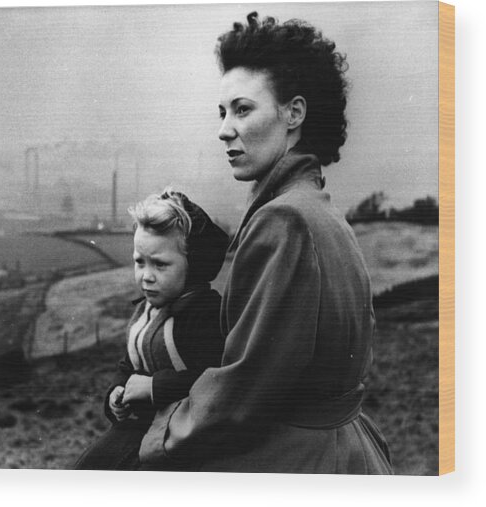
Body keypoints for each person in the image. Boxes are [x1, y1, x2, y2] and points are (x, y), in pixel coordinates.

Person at [138, 12, 394, 474]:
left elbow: (244, 387)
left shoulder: (285, 220)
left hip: (297, 461)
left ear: (293, 113)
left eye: (242, 109)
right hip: (347, 450)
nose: (223, 129)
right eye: (222, 113)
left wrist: (160, 427)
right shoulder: (320, 208)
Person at [74, 189, 229, 470]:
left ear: (193, 265)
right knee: (89, 468)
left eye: (160, 264)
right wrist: (116, 394)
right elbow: (129, 363)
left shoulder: (203, 313)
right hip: (144, 426)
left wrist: (155, 387)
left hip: (187, 434)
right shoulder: (146, 311)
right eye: (139, 262)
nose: (146, 275)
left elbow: (215, 381)